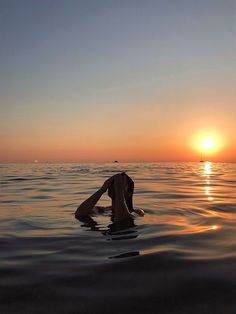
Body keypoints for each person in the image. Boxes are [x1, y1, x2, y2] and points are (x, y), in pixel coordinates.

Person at [75, 172, 144, 223]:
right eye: (112, 183)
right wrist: (102, 190)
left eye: (120, 184)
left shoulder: (138, 212)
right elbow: (79, 214)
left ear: (129, 193)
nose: (115, 186)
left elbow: (123, 220)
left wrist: (119, 190)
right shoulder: (102, 210)